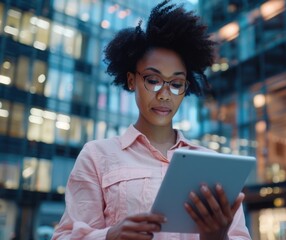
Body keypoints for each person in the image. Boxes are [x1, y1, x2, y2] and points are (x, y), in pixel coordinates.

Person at [51, 1, 251, 239]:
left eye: (176, 84)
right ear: (131, 80)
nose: (164, 94)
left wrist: (217, 236)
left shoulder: (213, 165)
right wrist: (109, 236)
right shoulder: (97, 156)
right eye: (153, 80)